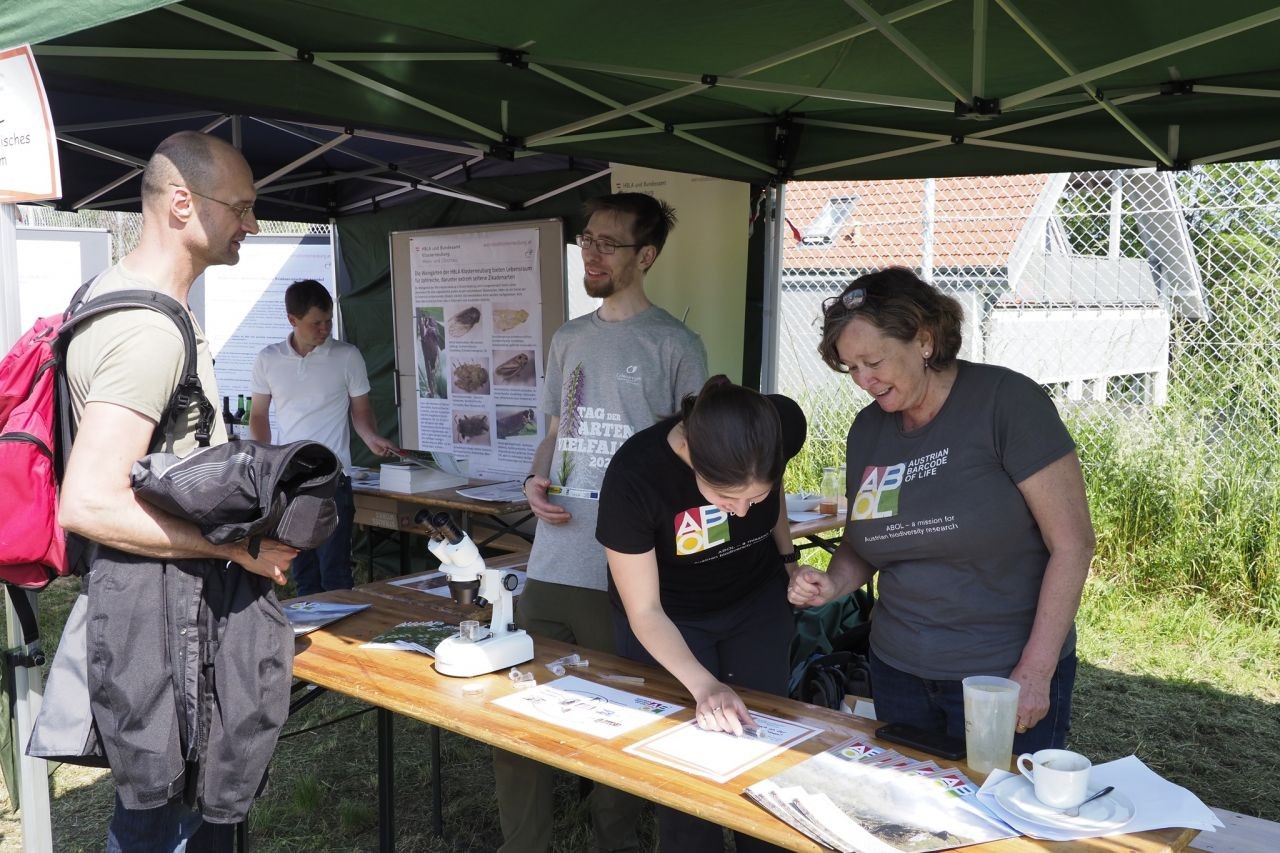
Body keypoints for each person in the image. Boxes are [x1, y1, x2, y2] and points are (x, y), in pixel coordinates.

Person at [54, 131, 298, 850]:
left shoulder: (110, 297)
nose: (252, 225)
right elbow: (89, 500)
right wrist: (239, 549)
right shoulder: (147, 331)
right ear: (183, 204)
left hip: (157, 617)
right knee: (168, 821)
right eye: (242, 207)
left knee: (163, 812)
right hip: (162, 627)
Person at [788, 266, 1095, 752]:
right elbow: (867, 540)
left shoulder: (1006, 403)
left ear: (925, 341)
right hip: (898, 669)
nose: (864, 380)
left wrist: (1036, 671)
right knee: (913, 816)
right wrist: (834, 583)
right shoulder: (869, 430)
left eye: (873, 361)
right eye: (851, 368)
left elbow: (1074, 544)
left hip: (1000, 675)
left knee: (1001, 815)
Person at [493, 192, 707, 853]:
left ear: (646, 256)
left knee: (616, 718)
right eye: (586, 239)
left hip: (626, 572)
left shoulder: (677, 344)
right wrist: (534, 478)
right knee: (517, 711)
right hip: (553, 557)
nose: (591, 252)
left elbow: (697, 460)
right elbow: (557, 430)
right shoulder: (568, 337)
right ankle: (524, 844)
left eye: (608, 243)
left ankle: (611, 843)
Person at [597, 376, 808, 853]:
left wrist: (788, 560)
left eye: (753, 499)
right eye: (725, 497)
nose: (739, 512)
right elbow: (645, 610)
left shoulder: (779, 424)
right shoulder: (636, 475)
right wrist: (704, 684)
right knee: (688, 762)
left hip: (754, 602)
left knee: (768, 746)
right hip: (671, 619)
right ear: (691, 452)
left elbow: (772, 498)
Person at [249, 278, 399, 595]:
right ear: (292, 320)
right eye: (316, 323)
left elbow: (361, 409)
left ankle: (341, 641)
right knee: (304, 574)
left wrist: (371, 436)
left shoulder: (347, 356)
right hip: (290, 482)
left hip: (333, 480)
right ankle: (312, 638)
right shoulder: (268, 358)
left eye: (329, 321)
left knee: (336, 572)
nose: (324, 329)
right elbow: (259, 415)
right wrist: (265, 456)